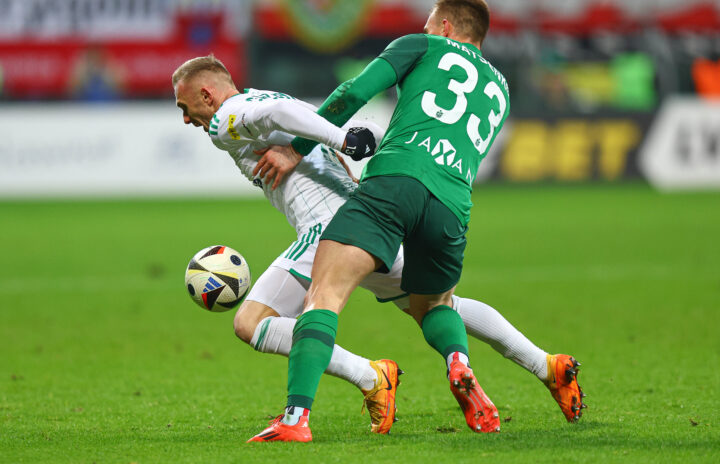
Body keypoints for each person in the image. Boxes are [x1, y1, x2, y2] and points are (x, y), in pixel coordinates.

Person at [171, 51, 584, 441]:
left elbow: (282, 117)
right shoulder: (266, 96)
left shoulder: (225, 116)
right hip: (367, 221)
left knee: (251, 322)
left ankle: (365, 380)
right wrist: (334, 145)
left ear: (207, 94)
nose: (186, 117)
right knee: (435, 306)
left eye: (184, 106)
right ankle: (546, 365)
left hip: (325, 228)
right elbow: (292, 115)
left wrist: (340, 139)